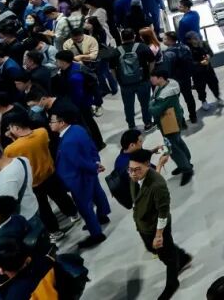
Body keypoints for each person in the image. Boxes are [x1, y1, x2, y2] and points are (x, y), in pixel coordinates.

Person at [127, 149, 193, 300]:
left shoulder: (158, 185)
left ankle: (172, 283)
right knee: (153, 249)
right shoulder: (137, 175)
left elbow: (163, 213)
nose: (132, 174)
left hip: (156, 227)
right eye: (130, 169)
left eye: (136, 170)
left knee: (167, 256)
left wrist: (159, 236)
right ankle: (182, 257)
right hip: (143, 224)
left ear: (146, 165)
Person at [49, 107, 110, 248]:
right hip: (89, 171)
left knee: (84, 206)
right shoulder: (78, 129)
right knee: (97, 193)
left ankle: (96, 234)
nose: (50, 124)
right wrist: (96, 162)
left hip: (78, 178)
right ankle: (102, 215)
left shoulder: (67, 142)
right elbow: (91, 146)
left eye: (52, 121)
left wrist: (93, 167)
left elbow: (78, 162)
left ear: (62, 123)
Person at [147, 68, 194, 184]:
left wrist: (150, 104)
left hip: (170, 122)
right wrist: (153, 102)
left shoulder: (167, 94)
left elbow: (155, 110)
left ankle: (186, 169)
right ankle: (186, 162)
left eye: (153, 77)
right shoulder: (162, 86)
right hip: (170, 120)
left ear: (160, 78)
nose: (151, 79)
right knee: (178, 142)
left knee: (173, 147)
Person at [116, 27, 155, 131]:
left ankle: (131, 125)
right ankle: (147, 123)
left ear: (121, 38)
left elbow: (112, 69)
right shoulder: (142, 47)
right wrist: (149, 74)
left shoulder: (117, 50)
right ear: (134, 36)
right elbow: (152, 61)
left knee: (128, 105)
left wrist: (118, 80)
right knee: (145, 103)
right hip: (142, 81)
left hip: (125, 84)